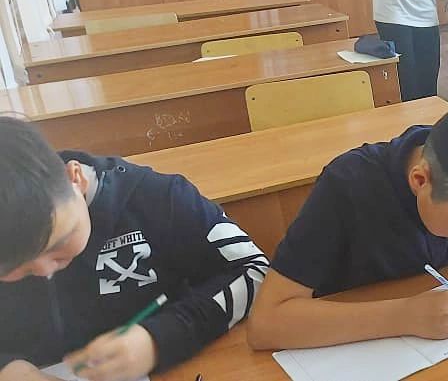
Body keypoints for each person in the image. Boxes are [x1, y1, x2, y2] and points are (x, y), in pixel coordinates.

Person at [0, 117, 268, 381]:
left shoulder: (159, 200)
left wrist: (158, 339)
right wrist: (8, 369)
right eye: (16, 268)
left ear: (75, 178)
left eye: (59, 243)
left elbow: (255, 271)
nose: (46, 270)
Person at [247, 104, 448, 351]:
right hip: (352, 345)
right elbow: (265, 324)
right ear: (420, 180)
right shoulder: (347, 186)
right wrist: (404, 316)